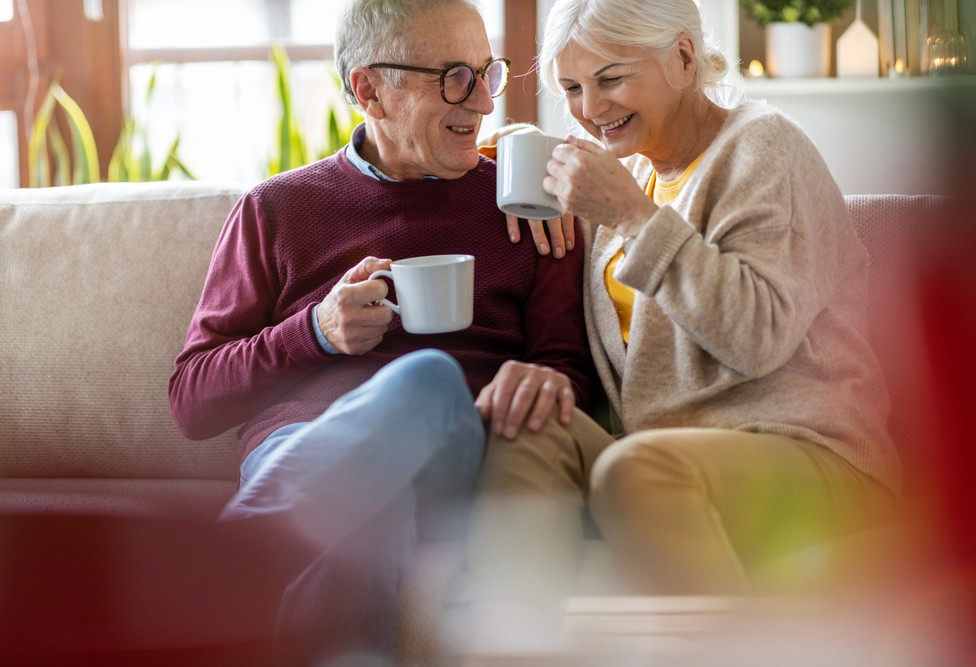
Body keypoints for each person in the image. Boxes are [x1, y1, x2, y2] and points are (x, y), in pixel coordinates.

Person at [168, 1, 593, 665]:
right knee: (375, 511)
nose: (482, 102)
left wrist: (546, 377)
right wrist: (316, 331)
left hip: (456, 446)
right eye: (455, 76)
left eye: (488, 73)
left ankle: (214, 576)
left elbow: (568, 367)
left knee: (428, 378)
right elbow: (192, 401)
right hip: (305, 447)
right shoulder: (276, 209)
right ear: (368, 88)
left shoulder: (524, 204)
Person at [484, 0, 901, 604]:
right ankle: (514, 645)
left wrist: (631, 216)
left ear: (682, 58)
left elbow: (757, 336)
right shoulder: (630, 175)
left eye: (611, 78)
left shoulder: (763, 147)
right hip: (663, 460)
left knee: (637, 470)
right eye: (572, 88)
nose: (591, 109)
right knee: (524, 429)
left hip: (803, 453)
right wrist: (515, 150)